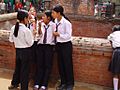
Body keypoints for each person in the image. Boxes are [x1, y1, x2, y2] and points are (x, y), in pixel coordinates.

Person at [8, 9, 34, 90]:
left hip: (18, 51)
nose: (28, 20)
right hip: (25, 52)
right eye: (27, 18)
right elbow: (30, 43)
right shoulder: (26, 30)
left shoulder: (13, 28)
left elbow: (11, 40)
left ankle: (14, 84)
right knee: (24, 71)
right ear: (25, 19)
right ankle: (24, 88)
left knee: (18, 68)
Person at [52, 5, 74, 90]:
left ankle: (70, 84)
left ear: (59, 13)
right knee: (60, 64)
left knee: (67, 65)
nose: (52, 14)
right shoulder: (55, 21)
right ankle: (63, 82)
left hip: (66, 45)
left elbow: (68, 36)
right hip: (59, 45)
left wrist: (59, 34)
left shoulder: (66, 23)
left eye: (54, 13)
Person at [33, 10, 56, 90]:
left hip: (49, 47)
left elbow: (55, 36)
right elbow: (38, 36)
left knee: (47, 66)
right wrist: (39, 26)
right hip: (40, 46)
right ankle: (37, 83)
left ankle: (44, 84)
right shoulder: (40, 24)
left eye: (44, 16)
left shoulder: (53, 25)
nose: (42, 18)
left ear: (49, 18)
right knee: (39, 65)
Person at [108, 25, 120, 90]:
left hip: (117, 52)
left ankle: (115, 89)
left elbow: (109, 39)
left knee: (116, 72)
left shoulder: (112, 34)